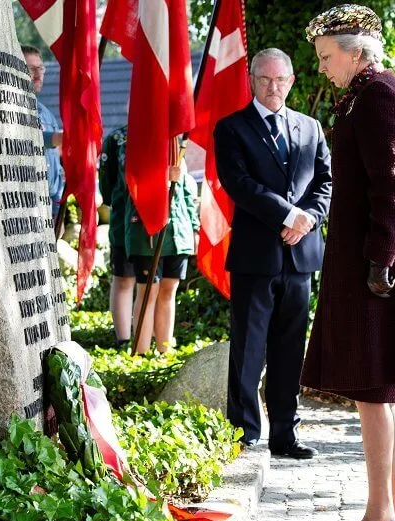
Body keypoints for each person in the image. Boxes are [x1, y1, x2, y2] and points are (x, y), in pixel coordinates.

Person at [300, 4, 395, 521]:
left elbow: (392, 185)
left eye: (328, 57)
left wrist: (378, 261)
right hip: (381, 263)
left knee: (375, 392)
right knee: (383, 393)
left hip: (382, 269)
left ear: (355, 51)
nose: (324, 68)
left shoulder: (375, 95)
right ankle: (394, 511)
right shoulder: (370, 91)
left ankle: (378, 515)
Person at [214, 48, 332, 460]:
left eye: (281, 80)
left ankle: (286, 433)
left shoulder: (310, 128)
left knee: (289, 348)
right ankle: (243, 433)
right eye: (265, 79)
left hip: (300, 257)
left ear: (291, 81)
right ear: (252, 79)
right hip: (255, 256)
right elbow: (239, 184)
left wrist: (309, 220)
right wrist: (287, 214)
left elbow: (324, 183)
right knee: (248, 347)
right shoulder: (231, 129)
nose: (273, 87)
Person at [120, 133, 199, 354]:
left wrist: (194, 228)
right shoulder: (137, 145)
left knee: (168, 290)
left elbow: (186, 194)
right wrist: (163, 175)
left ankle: (165, 349)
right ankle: (141, 351)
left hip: (177, 234)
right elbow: (131, 181)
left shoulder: (177, 150)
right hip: (147, 235)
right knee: (147, 291)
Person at [99, 127, 136, 346]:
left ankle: (148, 336)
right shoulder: (117, 139)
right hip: (123, 219)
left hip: (157, 226)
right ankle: (123, 339)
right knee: (124, 278)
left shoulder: (167, 133)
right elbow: (107, 185)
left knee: (153, 283)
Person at [21, 45, 65, 219]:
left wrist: (59, 201)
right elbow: (22, 139)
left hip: (51, 206)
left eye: (41, 68)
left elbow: (55, 162)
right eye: (31, 69)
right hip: (27, 205)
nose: (38, 75)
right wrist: (55, 138)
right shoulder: (8, 109)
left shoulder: (47, 115)